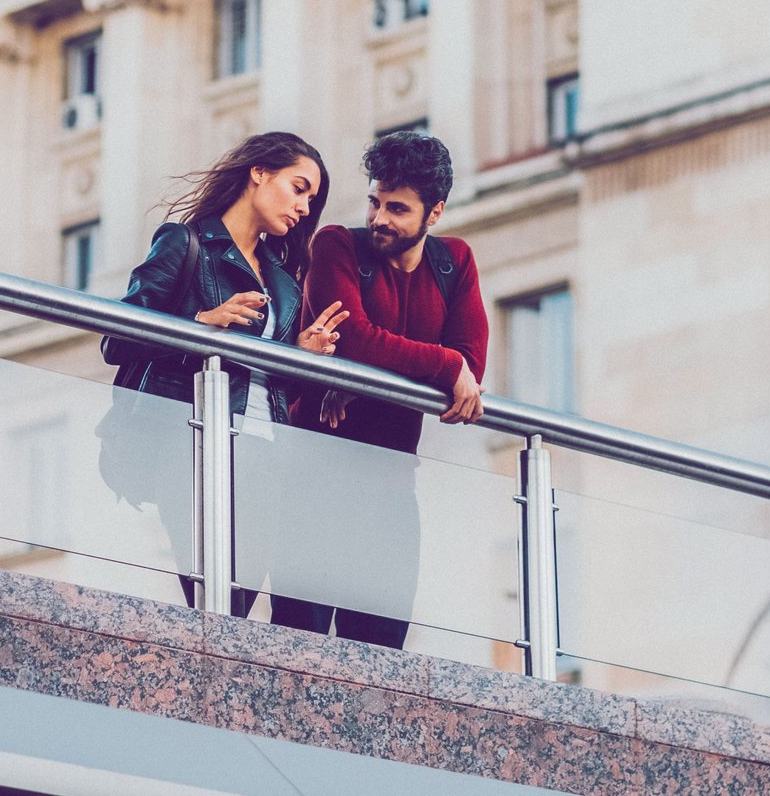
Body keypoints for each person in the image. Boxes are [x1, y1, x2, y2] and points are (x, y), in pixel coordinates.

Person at [99, 131, 349, 612]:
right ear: (259, 172)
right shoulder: (185, 243)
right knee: (211, 596)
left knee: (237, 602)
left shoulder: (282, 281)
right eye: (299, 188)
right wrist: (201, 324)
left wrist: (302, 354)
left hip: (267, 453)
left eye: (311, 200)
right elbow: (117, 338)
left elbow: (269, 384)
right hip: (193, 444)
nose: (303, 208)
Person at [276, 131, 489, 648]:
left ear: (433, 213)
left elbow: (472, 367)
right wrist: (440, 364)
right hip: (313, 477)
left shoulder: (452, 263)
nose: (379, 219)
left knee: (380, 661)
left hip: (392, 488)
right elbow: (356, 338)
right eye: (374, 201)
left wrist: (371, 378)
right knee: (297, 651)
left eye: (397, 208)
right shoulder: (337, 245)